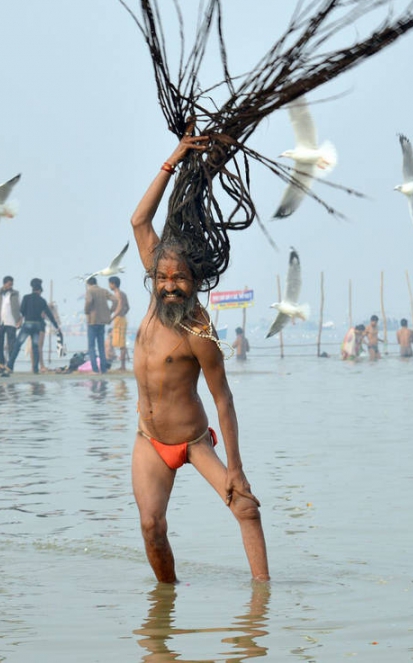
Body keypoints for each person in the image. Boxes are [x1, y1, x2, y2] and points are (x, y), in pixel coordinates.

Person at [129, 135, 269, 584]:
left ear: (196, 280)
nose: (171, 286)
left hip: (192, 441)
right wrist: (174, 158)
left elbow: (223, 398)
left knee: (245, 507)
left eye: (181, 279)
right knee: (152, 528)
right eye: (164, 277)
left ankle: (261, 601)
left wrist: (237, 469)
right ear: (155, 277)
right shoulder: (155, 298)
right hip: (150, 439)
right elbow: (139, 219)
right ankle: (165, 603)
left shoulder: (198, 328)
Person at [5, 278, 60, 375]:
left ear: (32, 289)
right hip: (38, 326)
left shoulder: (26, 298)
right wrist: (56, 326)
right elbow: (50, 315)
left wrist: (23, 317)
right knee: (35, 347)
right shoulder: (42, 300)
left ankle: (10, 365)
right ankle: (35, 369)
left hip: (28, 324)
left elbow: (21, 310)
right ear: (39, 291)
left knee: (17, 345)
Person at [85, 276, 114, 374]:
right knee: (101, 346)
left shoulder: (89, 290)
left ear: (88, 284)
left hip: (92, 322)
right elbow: (115, 300)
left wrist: (87, 310)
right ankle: (104, 369)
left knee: (91, 346)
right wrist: (110, 311)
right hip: (102, 322)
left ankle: (95, 370)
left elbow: (88, 301)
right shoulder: (103, 291)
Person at [0, 276, 21, 373]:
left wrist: (19, 320)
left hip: (11, 322)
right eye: (9, 284)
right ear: (4, 284)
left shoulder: (15, 294)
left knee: (11, 345)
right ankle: (1, 365)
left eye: (12, 284)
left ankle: (10, 366)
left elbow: (19, 307)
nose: (10, 286)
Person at [108, 276, 130, 370]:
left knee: (121, 344)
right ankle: (122, 365)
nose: (109, 285)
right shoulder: (122, 294)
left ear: (113, 283)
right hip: (120, 318)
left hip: (119, 319)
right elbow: (127, 307)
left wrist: (112, 317)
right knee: (120, 342)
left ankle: (123, 366)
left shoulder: (118, 294)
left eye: (110, 283)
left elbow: (120, 307)